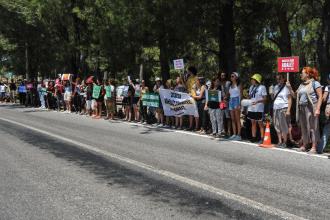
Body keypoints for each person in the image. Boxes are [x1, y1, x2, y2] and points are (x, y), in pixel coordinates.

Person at [287, 67, 322, 153]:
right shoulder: (302, 85)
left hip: (311, 108)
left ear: (308, 74)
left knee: (313, 128)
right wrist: (289, 88)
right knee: (303, 127)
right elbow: (295, 96)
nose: (300, 75)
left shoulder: (315, 83)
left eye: (302, 73)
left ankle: (314, 147)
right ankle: (305, 145)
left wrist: (318, 109)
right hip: (302, 108)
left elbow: (320, 96)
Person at [272, 73, 292, 148]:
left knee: (283, 126)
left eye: (280, 78)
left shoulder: (286, 87)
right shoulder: (276, 87)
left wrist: (288, 110)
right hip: (275, 108)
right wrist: (271, 93)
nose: (278, 80)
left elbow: (290, 99)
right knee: (277, 125)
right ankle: (280, 141)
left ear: (283, 79)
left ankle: (285, 142)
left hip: (283, 107)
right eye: (277, 79)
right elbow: (273, 98)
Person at [247, 73, 267, 143]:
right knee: (253, 123)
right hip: (251, 107)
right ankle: (253, 137)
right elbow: (250, 97)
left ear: (256, 80)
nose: (251, 80)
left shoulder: (262, 87)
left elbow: (265, 98)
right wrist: (247, 97)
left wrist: (258, 101)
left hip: (259, 108)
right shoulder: (251, 87)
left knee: (260, 123)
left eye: (252, 79)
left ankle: (262, 138)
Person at [228, 72, 242, 141]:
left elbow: (240, 95)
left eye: (233, 76)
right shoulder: (230, 85)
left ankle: (239, 135)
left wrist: (239, 104)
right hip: (231, 100)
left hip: (237, 100)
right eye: (231, 76)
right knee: (232, 119)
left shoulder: (239, 85)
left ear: (236, 77)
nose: (231, 77)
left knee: (237, 119)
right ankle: (234, 134)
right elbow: (229, 94)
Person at [318, 73, 330, 153]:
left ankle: (320, 149)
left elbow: (324, 98)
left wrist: (320, 96)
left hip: (329, 107)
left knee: (327, 127)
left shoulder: (327, 87)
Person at [219, 72, 232, 137]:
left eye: (224, 75)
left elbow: (229, 91)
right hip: (221, 102)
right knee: (222, 116)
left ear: (226, 76)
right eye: (221, 75)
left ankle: (229, 130)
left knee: (228, 116)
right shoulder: (220, 83)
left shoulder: (228, 82)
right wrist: (221, 99)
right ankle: (224, 130)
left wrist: (226, 98)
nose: (222, 76)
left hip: (227, 101)